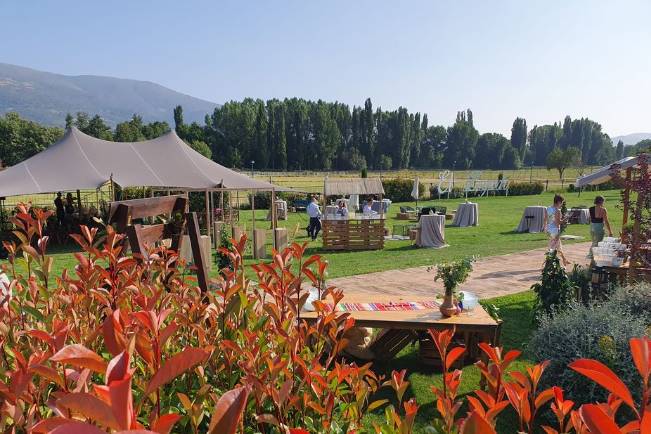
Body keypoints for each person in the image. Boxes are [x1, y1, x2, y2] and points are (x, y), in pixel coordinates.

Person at [543, 194, 570, 266]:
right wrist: (565, 218)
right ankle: (549, 263)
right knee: (553, 247)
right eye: (561, 202)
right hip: (555, 230)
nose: (561, 204)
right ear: (558, 202)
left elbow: (545, 219)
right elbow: (558, 222)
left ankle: (564, 259)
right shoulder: (557, 210)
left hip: (549, 230)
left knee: (557, 245)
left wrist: (545, 228)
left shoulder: (548, 208)